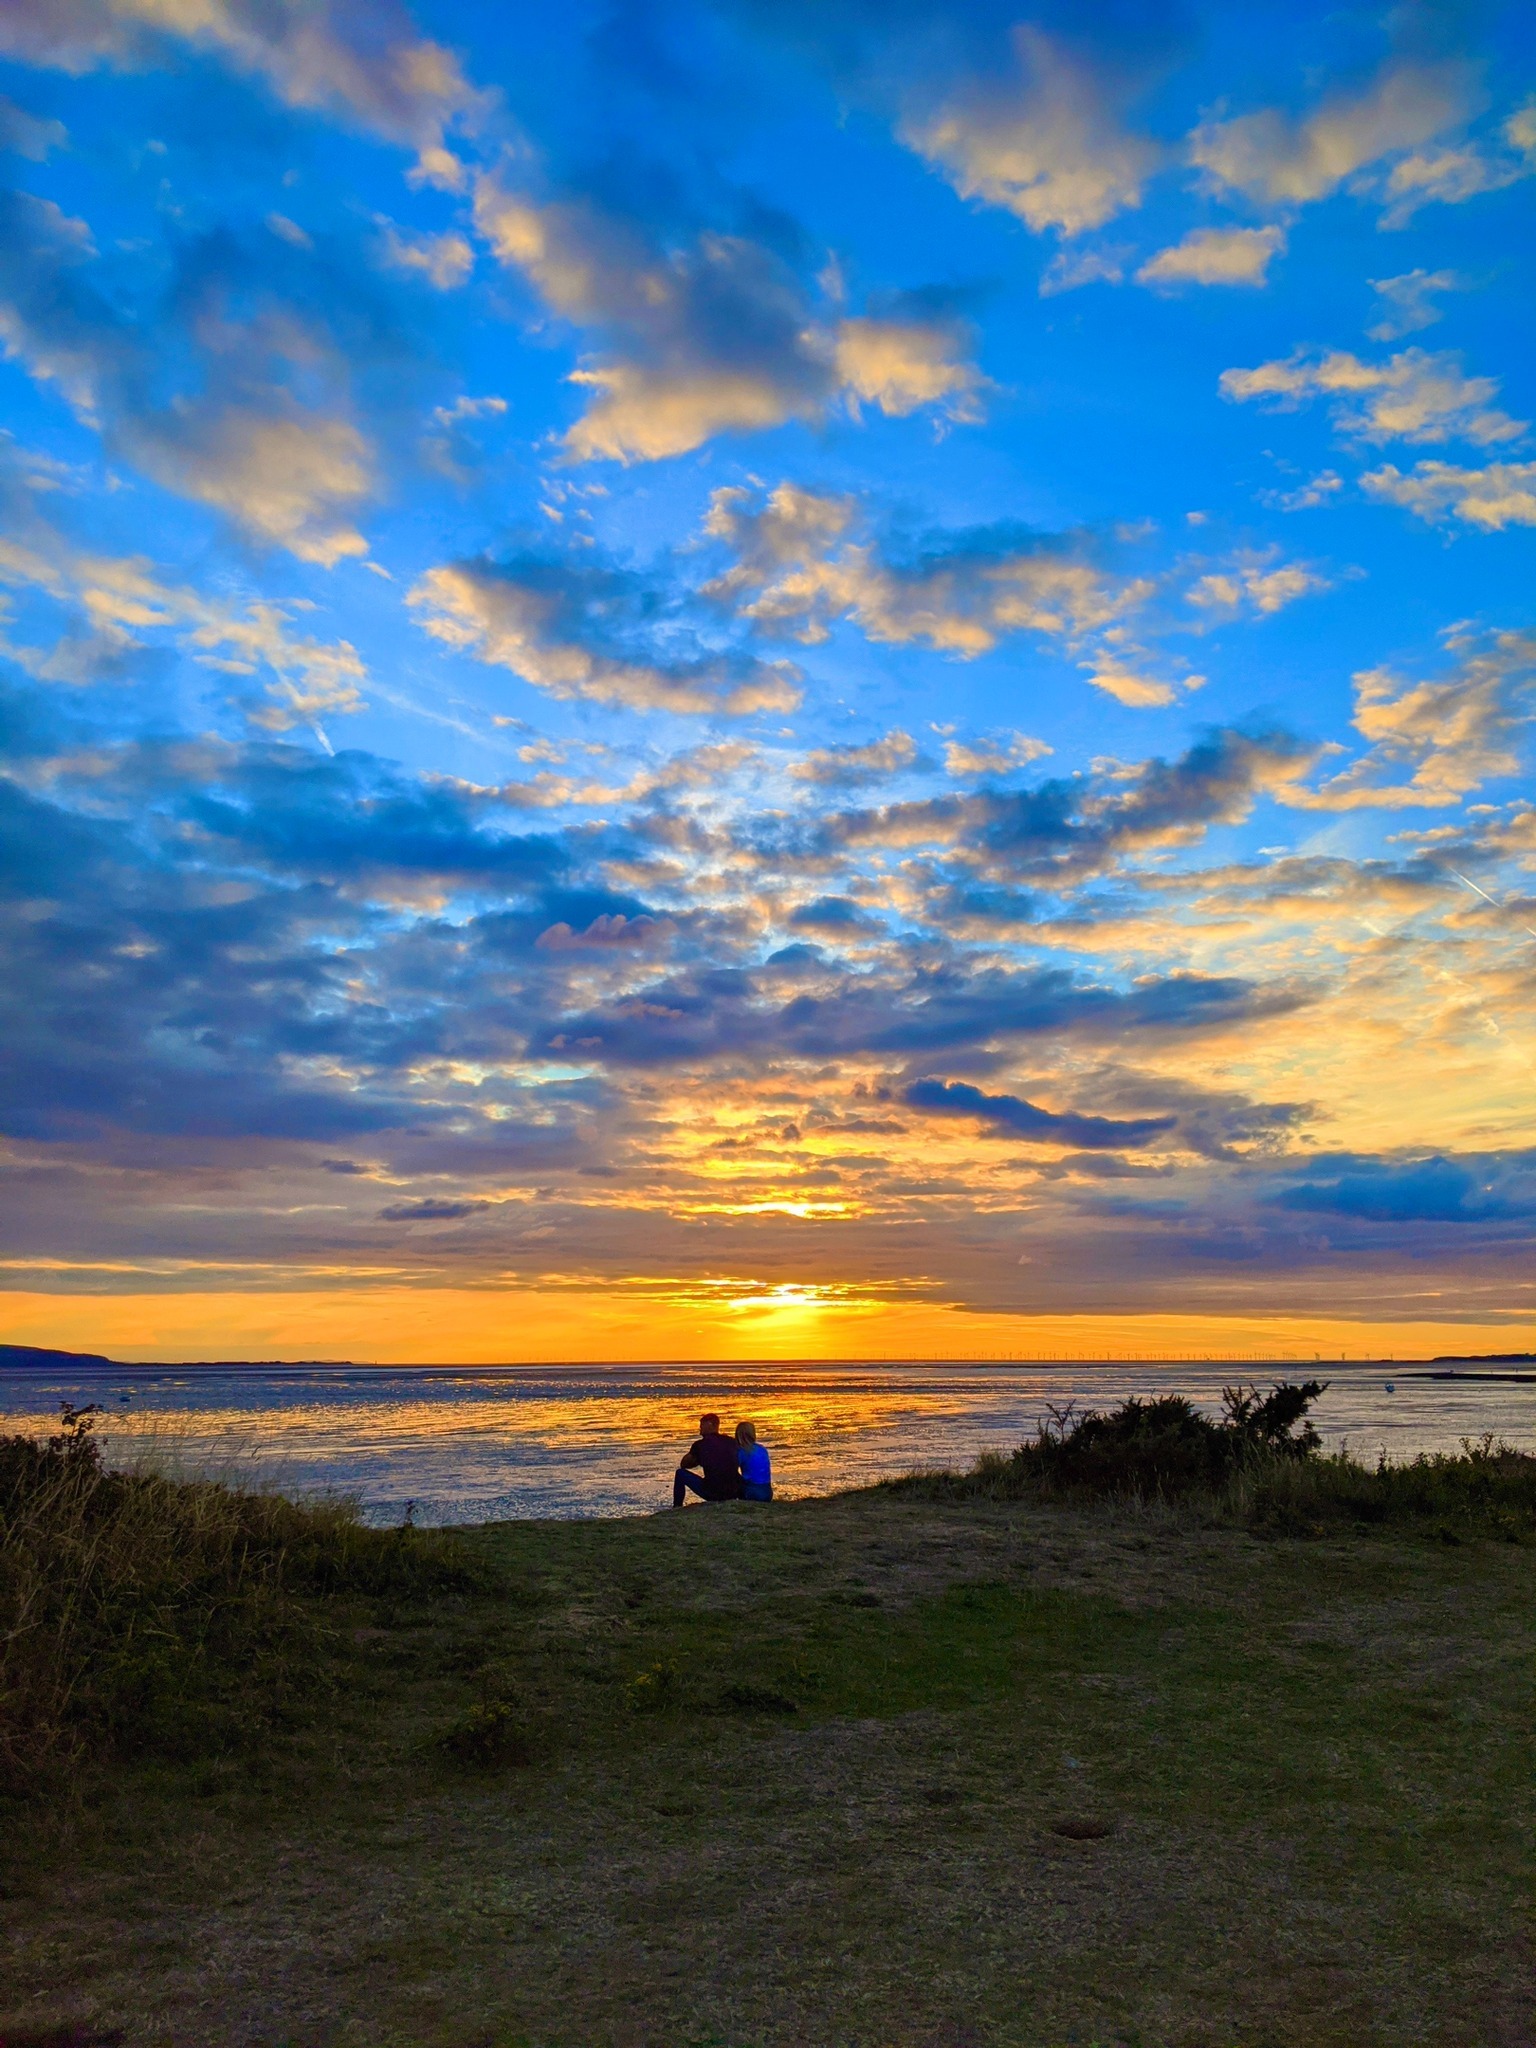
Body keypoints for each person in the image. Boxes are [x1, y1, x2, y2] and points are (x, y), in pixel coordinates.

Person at [673, 1412, 742, 1507]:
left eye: (702, 1425)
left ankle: (677, 1506)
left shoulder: (700, 1445)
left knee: (680, 1473)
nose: (700, 1428)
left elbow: (684, 1464)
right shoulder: (731, 1442)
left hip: (712, 1492)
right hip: (734, 1492)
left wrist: (699, 1458)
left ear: (710, 1425)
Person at [735, 1419, 772, 1501]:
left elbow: (731, 1470)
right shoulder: (762, 1449)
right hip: (767, 1492)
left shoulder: (742, 1451)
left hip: (752, 1492)